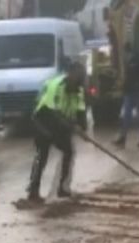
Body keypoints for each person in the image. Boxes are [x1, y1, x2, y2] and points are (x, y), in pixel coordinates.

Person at [27, 62, 88, 202]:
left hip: (61, 125)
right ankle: (33, 190)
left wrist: (83, 128)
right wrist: (73, 127)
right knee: (42, 156)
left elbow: (80, 110)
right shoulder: (56, 86)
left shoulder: (78, 90)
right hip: (43, 120)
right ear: (70, 76)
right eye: (77, 79)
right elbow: (54, 113)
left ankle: (62, 188)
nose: (78, 85)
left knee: (69, 151)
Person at [114, 43, 139, 149]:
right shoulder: (129, 62)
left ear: (128, 52)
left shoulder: (137, 62)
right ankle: (123, 138)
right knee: (127, 116)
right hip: (130, 92)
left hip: (137, 93)